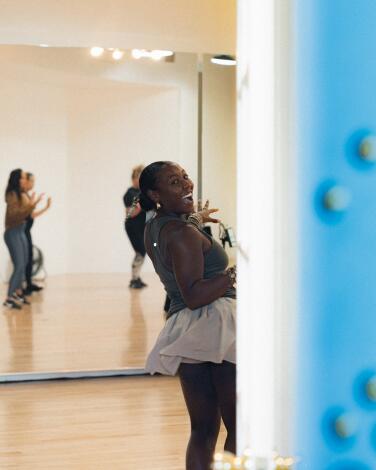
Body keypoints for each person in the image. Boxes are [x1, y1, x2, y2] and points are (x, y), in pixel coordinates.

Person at [139, 161, 236, 470]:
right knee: (240, 429)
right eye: (174, 182)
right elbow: (195, 295)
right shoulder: (182, 233)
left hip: (187, 330)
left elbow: (184, 233)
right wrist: (233, 275)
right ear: (156, 193)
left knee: (203, 430)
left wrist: (196, 217)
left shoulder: (155, 226)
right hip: (216, 323)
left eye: (184, 178)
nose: (187, 185)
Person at [3, 169, 43, 309]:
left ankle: (17, 293)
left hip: (20, 231)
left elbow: (25, 213)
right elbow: (16, 215)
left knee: (24, 263)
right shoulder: (12, 194)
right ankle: (8, 298)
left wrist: (32, 204)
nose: (26, 180)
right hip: (13, 232)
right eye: (24, 178)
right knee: (19, 264)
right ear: (18, 179)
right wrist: (32, 204)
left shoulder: (20, 194)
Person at [23, 172, 51, 295]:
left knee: (29, 257)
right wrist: (39, 205)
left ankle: (29, 284)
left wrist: (46, 207)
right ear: (26, 181)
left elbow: (31, 216)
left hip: (26, 231)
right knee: (24, 259)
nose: (33, 183)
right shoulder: (22, 196)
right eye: (32, 181)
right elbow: (27, 215)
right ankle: (23, 287)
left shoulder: (27, 196)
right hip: (22, 231)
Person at [123, 165, 147, 289]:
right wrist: (141, 205)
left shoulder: (141, 193)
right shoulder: (130, 193)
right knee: (140, 251)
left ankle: (136, 278)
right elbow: (130, 212)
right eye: (139, 178)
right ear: (134, 179)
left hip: (141, 227)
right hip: (132, 227)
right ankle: (134, 279)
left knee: (142, 251)